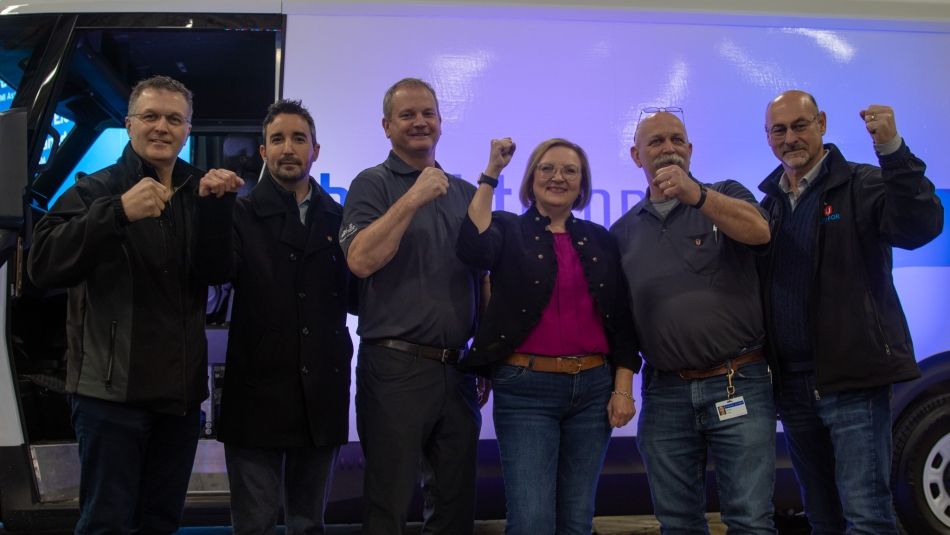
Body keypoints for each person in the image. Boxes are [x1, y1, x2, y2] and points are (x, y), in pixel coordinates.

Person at [28, 75, 243, 535]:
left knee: (161, 522)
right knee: (106, 523)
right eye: (150, 116)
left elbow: (216, 274)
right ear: (128, 124)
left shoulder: (195, 189)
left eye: (174, 118)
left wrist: (218, 212)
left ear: (188, 130)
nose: (161, 127)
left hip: (179, 400)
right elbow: (42, 264)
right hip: (110, 398)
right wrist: (117, 213)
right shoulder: (96, 191)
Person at [759, 90, 943, 534]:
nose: (790, 138)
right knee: (822, 515)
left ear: (821, 123)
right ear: (768, 138)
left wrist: (892, 151)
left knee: (867, 515)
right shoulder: (770, 206)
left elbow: (921, 225)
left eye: (799, 126)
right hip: (794, 386)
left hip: (853, 381)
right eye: (778, 130)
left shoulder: (863, 183)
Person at [456, 137, 639, 534]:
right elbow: (472, 248)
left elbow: (622, 320)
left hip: (593, 390)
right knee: (533, 520)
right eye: (547, 168)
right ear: (531, 178)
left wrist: (623, 385)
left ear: (582, 183)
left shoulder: (600, 239)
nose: (558, 177)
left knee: (576, 520)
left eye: (570, 170)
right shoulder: (506, 228)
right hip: (526, 391)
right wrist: (491, 173)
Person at [610, 110, 775, 534]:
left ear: (690, 148)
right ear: (636, 156)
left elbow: (760, 231)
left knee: (750, 521)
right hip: (665, 393)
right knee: (678, 523)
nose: (669, 149)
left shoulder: (725, 194)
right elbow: (621, 323)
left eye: (677, 139)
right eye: (657, 142)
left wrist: (696, 196)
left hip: (738, 381)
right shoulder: (622, 232)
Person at [201, 99, 354, 534]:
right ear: (264, 152)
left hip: (321, 391)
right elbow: (214, 273)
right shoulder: (239, 211)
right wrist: (213, 208)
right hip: (257, 391)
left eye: (299, 139)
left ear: (316, 151)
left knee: (309, 524)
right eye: (278, 139)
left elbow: (357, 297)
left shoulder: (340, 219)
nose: (289, 148)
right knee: (255, 523)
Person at [339, 78, 483, 534]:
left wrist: (486, 357)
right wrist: (414, 197)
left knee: (455, 504)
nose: (419, 122)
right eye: (407, 115)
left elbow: (483, 276)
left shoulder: (463, 192)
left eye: (428, 113)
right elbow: (360, 260)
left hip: (457, 369)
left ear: (440, 122)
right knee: (390, 503)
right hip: (395, 367)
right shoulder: (371, 184)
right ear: (386, 126)